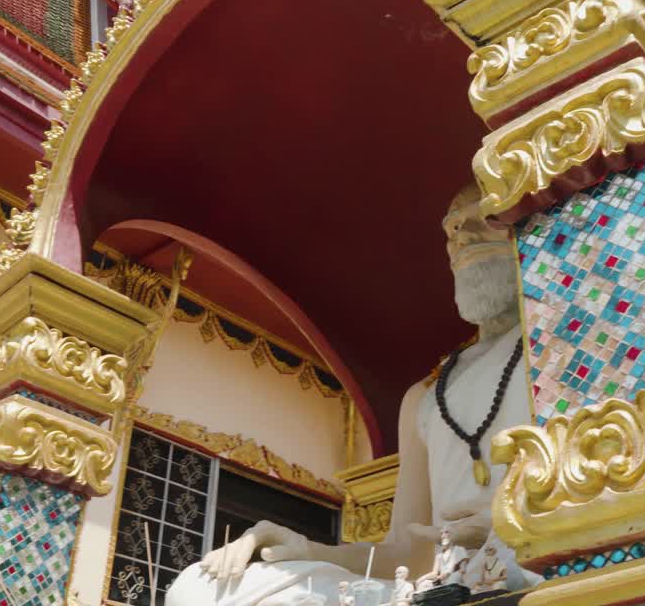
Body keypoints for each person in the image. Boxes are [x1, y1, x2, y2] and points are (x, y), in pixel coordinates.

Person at [165, 183, 533, 606]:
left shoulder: (558, 351)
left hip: (534, 562)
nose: (461, 237)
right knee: (201, 590)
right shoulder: (427, 395)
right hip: (439, 588)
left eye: (483, 219)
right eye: (451, 228)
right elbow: (409, 555)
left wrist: (512, 522)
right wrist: (304, 550)